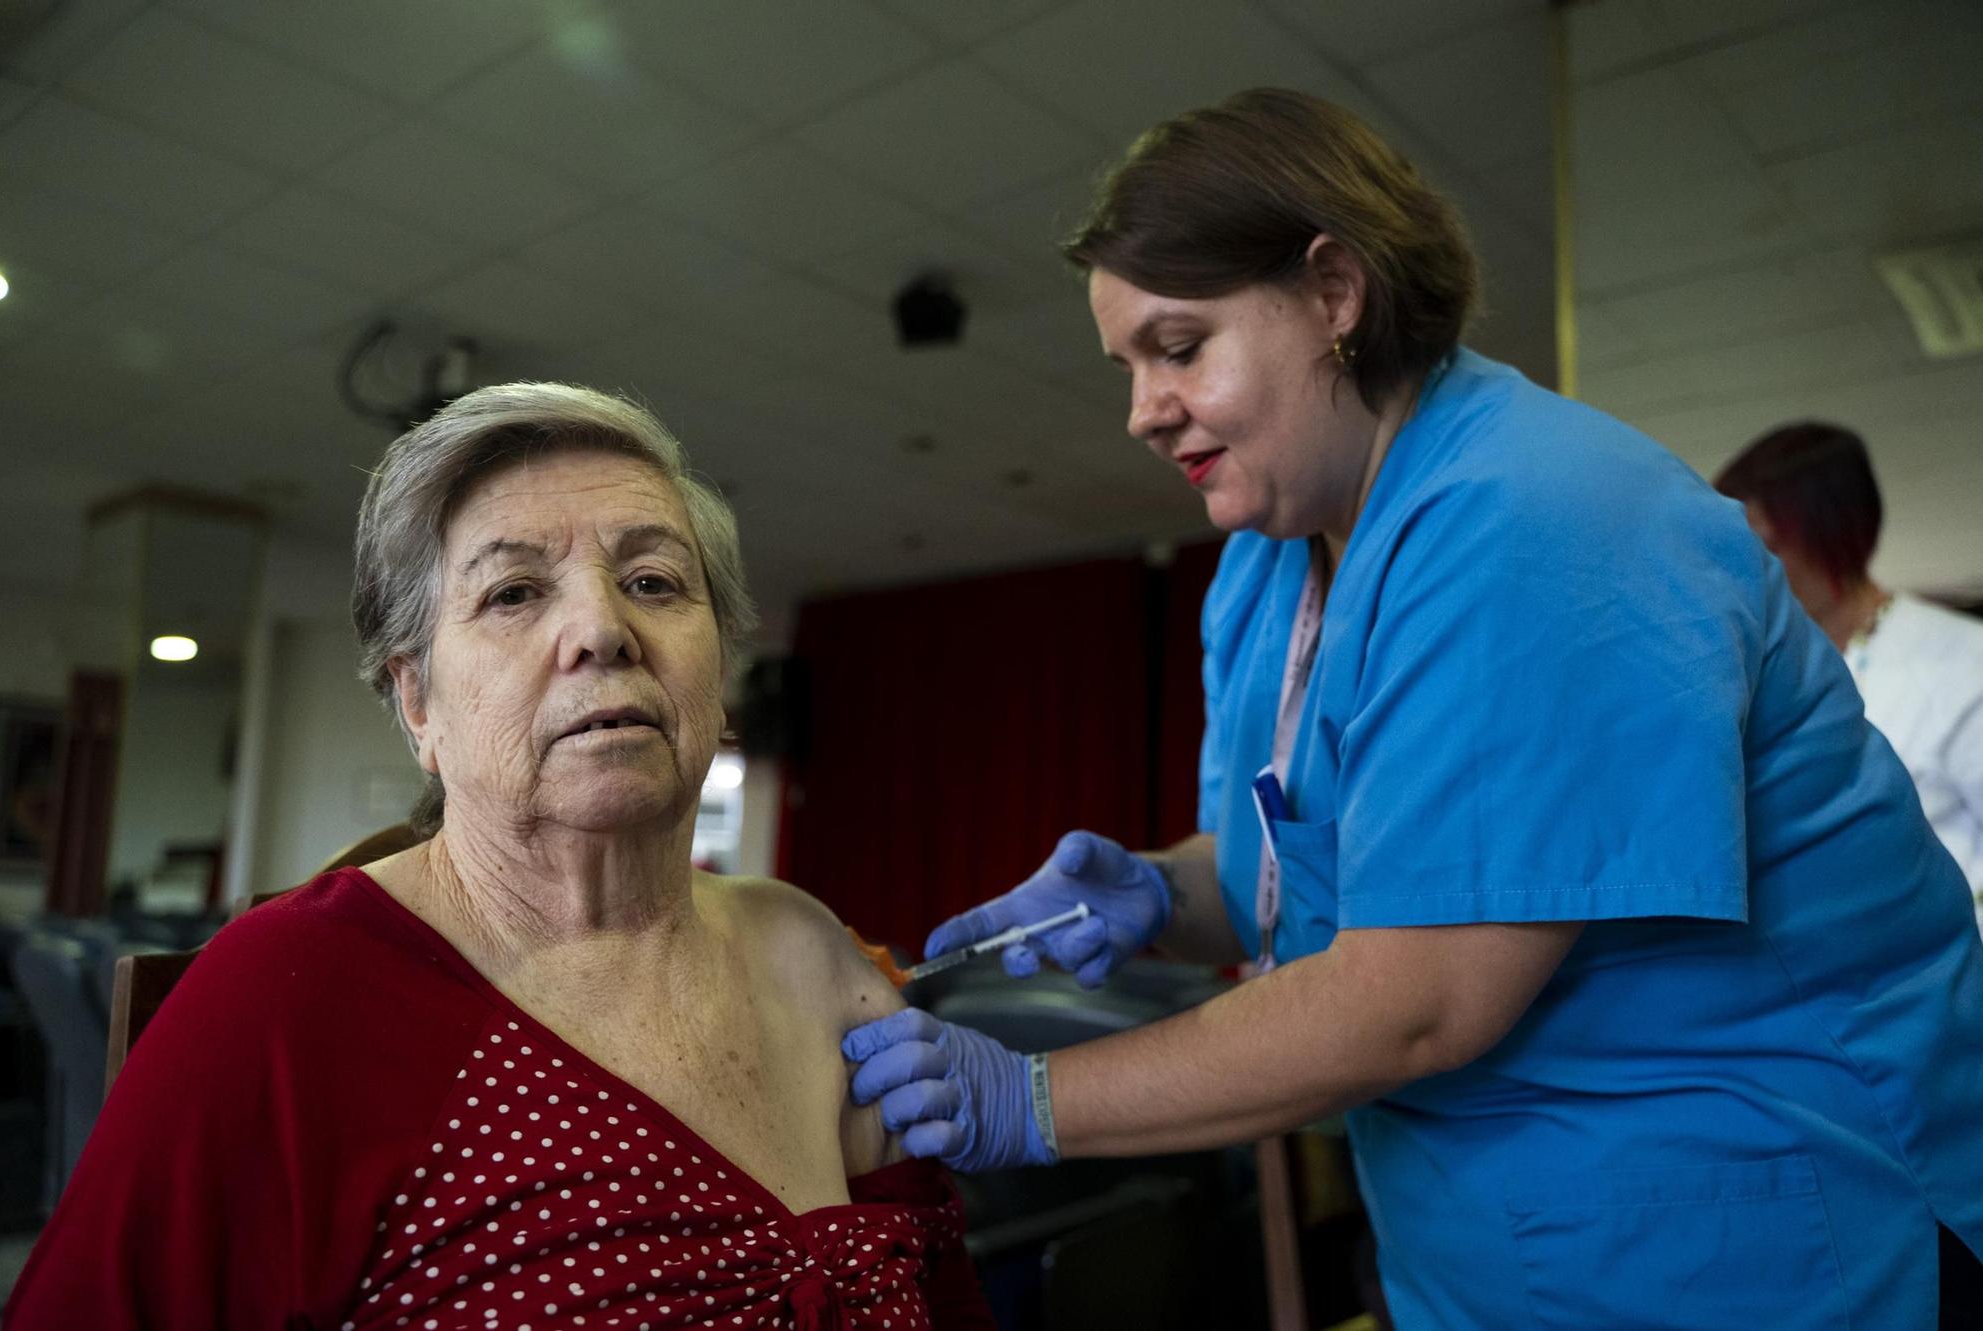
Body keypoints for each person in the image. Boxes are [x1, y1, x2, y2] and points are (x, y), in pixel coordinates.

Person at [843, 89, 1983, 1329]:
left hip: (1765, 1232)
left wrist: (1029, 1096)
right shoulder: (1267, 565)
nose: (1141, 410)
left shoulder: (1534, 515)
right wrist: (1164, 891)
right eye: (1126, 366)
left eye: (1178, 347)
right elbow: (1304, 876)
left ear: (1334, 292)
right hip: (1499, 1250)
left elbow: (1418, 994)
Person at [8, 385, 987, 1329]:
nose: (602, 630)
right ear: (418, 704)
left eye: (653, 581)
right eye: (513, 591)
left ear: (720, 669)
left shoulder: (811, 948)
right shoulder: (290, 991)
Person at [1716, 421, 1983, 932]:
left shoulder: (1962, 664)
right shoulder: (1758, 676)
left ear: (1832, 535)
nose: (1747, 575)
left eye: (1766, 547)